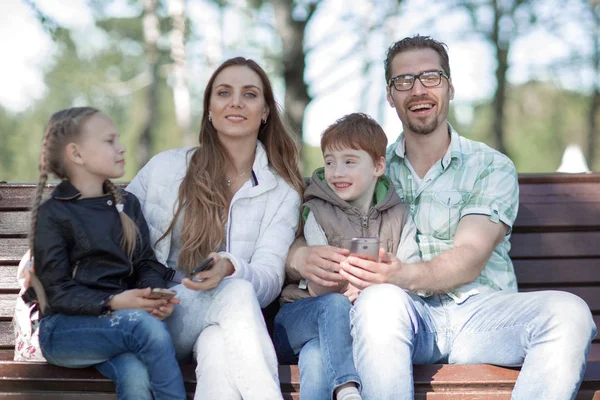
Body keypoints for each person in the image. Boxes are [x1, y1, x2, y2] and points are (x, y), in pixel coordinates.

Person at [286, 35, 597, 400]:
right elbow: (317, 212)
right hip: (401, 319)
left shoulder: (488, 166)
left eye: (431, 77)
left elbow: (468, 256)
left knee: (570, 314)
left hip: (479, 316)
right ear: (391, 96)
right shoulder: (368, 168)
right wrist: (298, 256)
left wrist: (399, 274)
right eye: (404, 81)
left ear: (450, 87)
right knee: (380, 302)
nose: (418, 90)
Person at [127, 57, 304, 400]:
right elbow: (113, 224)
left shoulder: (281, 192)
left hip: (229, 321)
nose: (236, 102)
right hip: (162, 315)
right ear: (209, 109)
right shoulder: (166, 168)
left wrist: (230, 267)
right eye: (224, 93)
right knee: (234, 294)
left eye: (250, 94)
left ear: (265, 111)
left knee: (218, 348)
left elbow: (268, 278)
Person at [29, 107, 187, 400]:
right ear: (76, 154)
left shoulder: (127, 205)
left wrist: (151, 295)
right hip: (63, 330)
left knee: (137, 375)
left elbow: (145, 263)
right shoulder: (53, 214)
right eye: (109, 141)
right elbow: (56, 292)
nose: (121, 147)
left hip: (116, 325)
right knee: (143, 326)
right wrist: (114, 302)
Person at [274, 113, 421, 400]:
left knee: (316, 357)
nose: (337, 172)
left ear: (378, 165)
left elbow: (409, 274)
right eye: (329, 162)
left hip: (349, 331)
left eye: (349, 162)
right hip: (301, 316)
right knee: (333, 305)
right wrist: (356, 283)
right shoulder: (316, 211)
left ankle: (343, 384)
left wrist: (382, 280)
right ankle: (346, 388)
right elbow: (319, 286)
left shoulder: (399, 216)